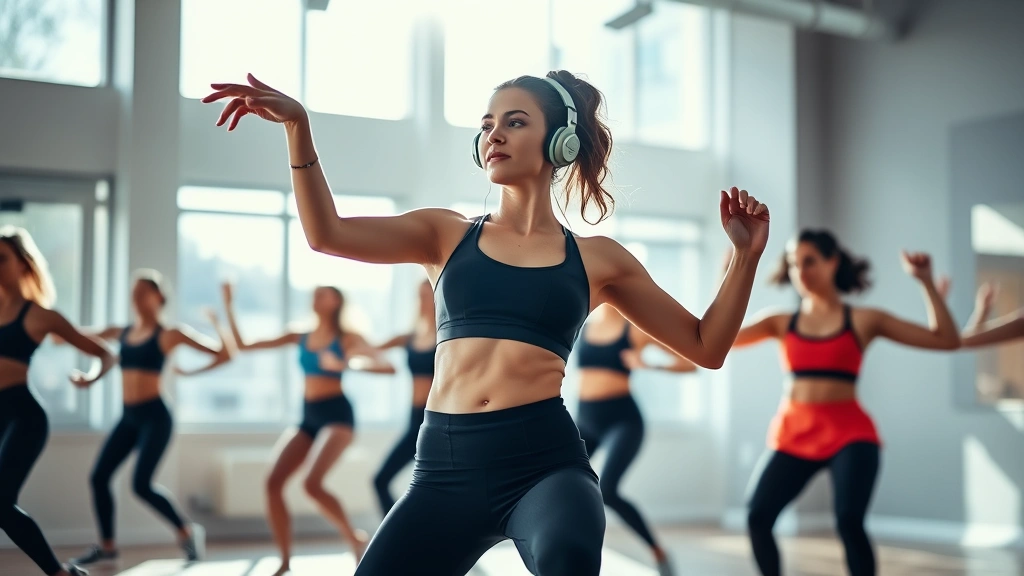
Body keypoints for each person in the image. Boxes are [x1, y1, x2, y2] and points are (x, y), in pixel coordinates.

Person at [204, 69, 769, 575]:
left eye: (515, 122)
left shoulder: (600, 260)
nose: (493, 134)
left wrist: (744, 258)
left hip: (546, 467)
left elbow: (706, 346)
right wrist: (298, 127)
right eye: (487, 124)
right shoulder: (444, 234)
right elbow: (326, 233)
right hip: (445, 468)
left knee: (568, 560)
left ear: (559, 142)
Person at [729, 231, 960, 576]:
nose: (800, 272)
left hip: (850, 436)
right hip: (793, 435)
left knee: (849, 522)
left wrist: (926, 283)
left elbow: (946, 340)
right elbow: (718, 338)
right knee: (757, 517)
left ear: (832, 261)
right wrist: (733, 267)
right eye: (793, 263)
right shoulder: (779, 321)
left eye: (809, 261)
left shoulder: (864, 320)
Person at [221, 282, 394, 575]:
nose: (315, 297)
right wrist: (228, 306)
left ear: (336, 302)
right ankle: (286, 561)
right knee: (273, 483)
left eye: (323, 294)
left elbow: (387, 366)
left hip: (337, 415)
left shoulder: (348, 338)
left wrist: (347, 364)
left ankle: (355, 539)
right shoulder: (299, 335)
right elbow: (245, 346)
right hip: (308, 417)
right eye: (315, 293)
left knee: (311, 484)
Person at [68, 270, 233, 567]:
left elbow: (224, 355)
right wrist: (59, 339)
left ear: (159, 297)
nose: (137, 297)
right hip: (128, 417)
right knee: (99, 477)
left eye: (143, 291)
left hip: (156, 417)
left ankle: (186, 531)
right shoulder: (123, 331)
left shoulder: (170, 334)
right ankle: (107, 546)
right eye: (134, 292)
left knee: (141, 484)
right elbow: (79, 336)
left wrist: (216, 324)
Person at [0, 226, 118, 576]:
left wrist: (91, 377)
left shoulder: (39, 315)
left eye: (2, 258)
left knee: (1, 504)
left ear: (23, 265)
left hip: (24, 418)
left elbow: (105, 353)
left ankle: (60, 573)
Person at [574, 303, 696, 575]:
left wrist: (650, 364)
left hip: (623, 420)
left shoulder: (636, 330)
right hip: (585, 419)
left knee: (608, 489)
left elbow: (689, 364)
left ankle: (657, 550)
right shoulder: (583, 325)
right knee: (562, 481)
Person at [371, 279, 436, 516]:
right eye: (419, 295)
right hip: (413, 421)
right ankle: (399, 543)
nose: (422, 301)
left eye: (427, 294)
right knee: (380, 480)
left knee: (434, 491)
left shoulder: (448, 336)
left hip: (438, 422)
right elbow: (370, 349)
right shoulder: (409, 337)